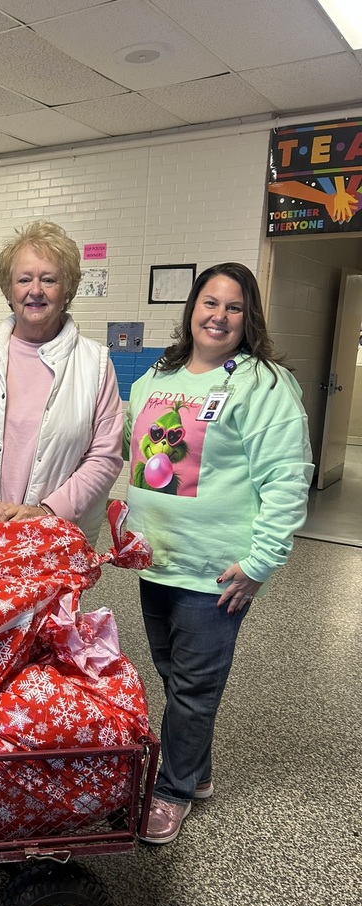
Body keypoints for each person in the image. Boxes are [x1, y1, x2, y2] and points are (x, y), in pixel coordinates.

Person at [123, 262, 313, 844]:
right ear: (192, 308)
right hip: (156, 559)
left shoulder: (264, 384)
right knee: (172, 673)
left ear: (248, 316)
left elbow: (287, 477)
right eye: (210, 302)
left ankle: (174, 789)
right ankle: (196, 769)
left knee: (192, 687)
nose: (219, 315)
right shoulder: (159, 373)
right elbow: (139, 455)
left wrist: (260, 564)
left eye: (234, 306)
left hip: (218, 571)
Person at [0, 220, 123, 547]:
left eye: (48, 279)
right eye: (24, 279)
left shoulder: (95, 363)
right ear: (9, 289)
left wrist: (48, 511)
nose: (35, 290)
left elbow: (104, 457)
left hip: (53, 538)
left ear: (67, 290)